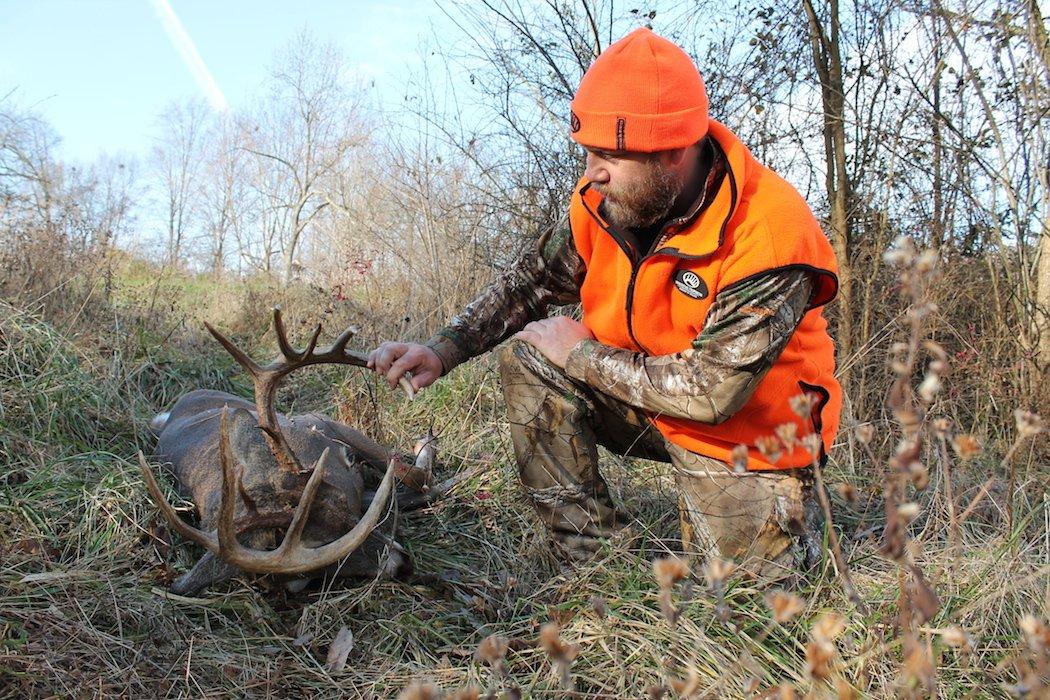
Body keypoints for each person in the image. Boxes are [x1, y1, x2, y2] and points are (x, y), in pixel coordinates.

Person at [368, 28, 841, 578]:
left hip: (749, 439)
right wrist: (442, 350)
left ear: (673, 152)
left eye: (609, 155)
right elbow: (530, 284)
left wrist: (582, 358)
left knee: (748, 608)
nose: (591, 172)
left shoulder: (770, 235)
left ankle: (794, 520)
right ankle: (597, 565)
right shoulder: (603, 203)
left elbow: (713, 393)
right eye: (587, 152)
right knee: (529, 357)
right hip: (651, 403)